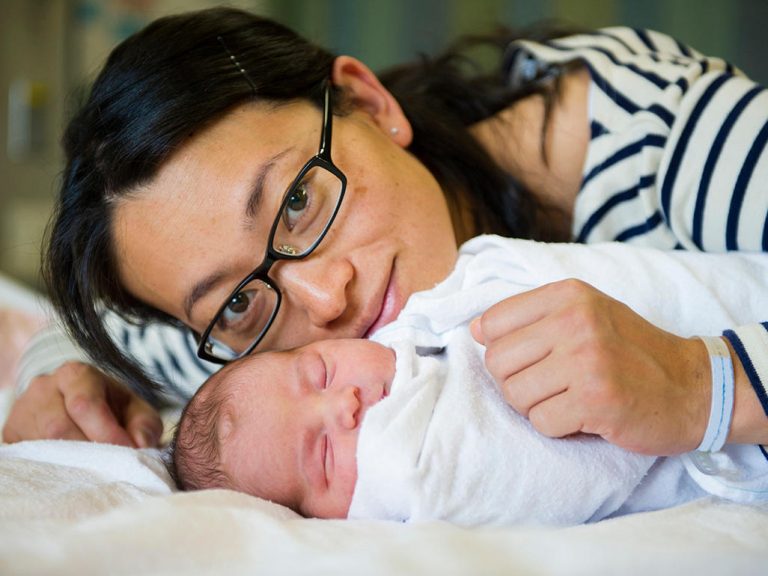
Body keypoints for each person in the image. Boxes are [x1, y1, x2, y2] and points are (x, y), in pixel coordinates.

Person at [4, 7, 767, 456]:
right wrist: (61, 381)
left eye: (298, 201)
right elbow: (89, 336)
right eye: (235, 301)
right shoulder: (250, 338)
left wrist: (699, 387)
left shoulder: (644, 132)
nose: (324, 299)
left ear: (371, 105)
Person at [170, 236, 768, 526]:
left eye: (321, 372)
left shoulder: (426, 317)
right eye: (324, 455)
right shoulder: (408, 479)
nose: (344, 405)